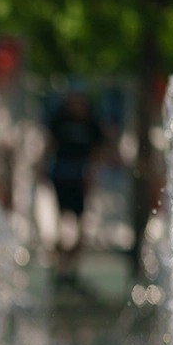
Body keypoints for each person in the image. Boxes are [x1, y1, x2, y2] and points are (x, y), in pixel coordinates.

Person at [44, 88, 104, 289]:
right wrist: (42, 168)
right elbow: (50, 144)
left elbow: (98, 150)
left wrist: (92, 173)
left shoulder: (91, 123)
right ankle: (60, 266)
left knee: (80, 223)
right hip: (61, 175)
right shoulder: (60, 120)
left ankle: (73, 268)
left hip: (80, 177)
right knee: (62, 221)